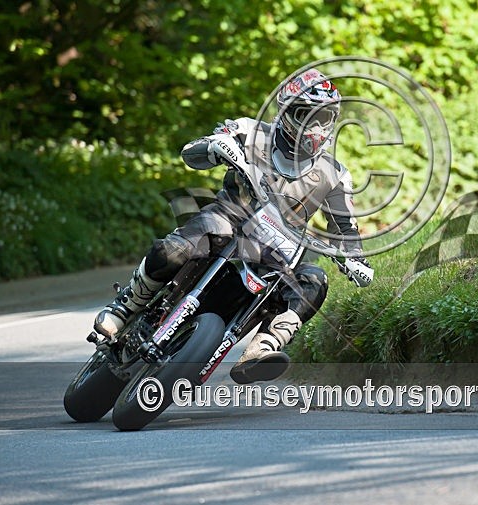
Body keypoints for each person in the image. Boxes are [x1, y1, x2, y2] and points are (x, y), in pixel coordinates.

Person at [92, 69, 373, 384]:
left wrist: (355, 260)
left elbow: (347, 228)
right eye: (307, 115)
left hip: (276, 254)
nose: (316, 127)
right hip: (226, 223)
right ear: (287, 112)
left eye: (325, 117)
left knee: (314, 281)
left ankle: (263, 348)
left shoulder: (335, 174)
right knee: (175, 248)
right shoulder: (250, 131)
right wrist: (215, 147)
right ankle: (125, 306)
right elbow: (192, 151)